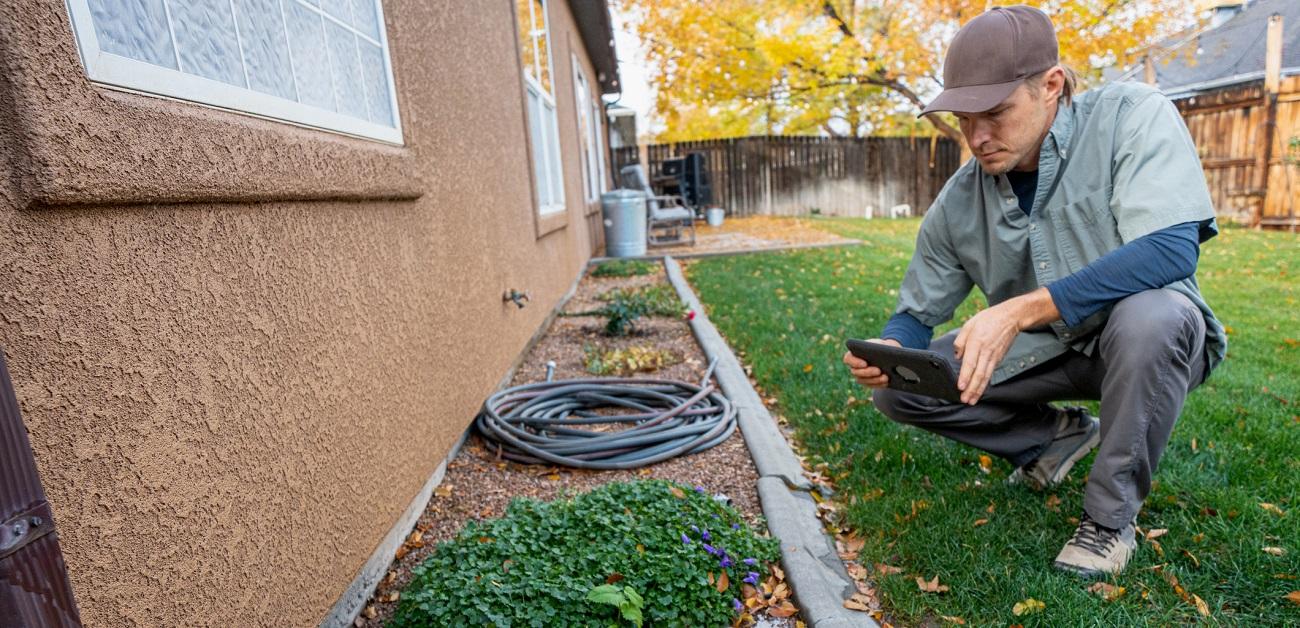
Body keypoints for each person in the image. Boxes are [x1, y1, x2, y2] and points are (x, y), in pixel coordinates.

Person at [841, 4, 1225, 577]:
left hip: (1149, 343)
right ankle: (1053, 438)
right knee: (902, 390)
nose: (977, 136)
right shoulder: (959, 197)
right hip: (1050, 352)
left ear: (1051, 86)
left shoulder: (1131, 115)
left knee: (1153, 316)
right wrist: (892, 348)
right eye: (965, 119)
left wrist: (1023, 309)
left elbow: (1172, 249)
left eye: (994, 113)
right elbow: (916, 314)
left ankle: (1108, 523)